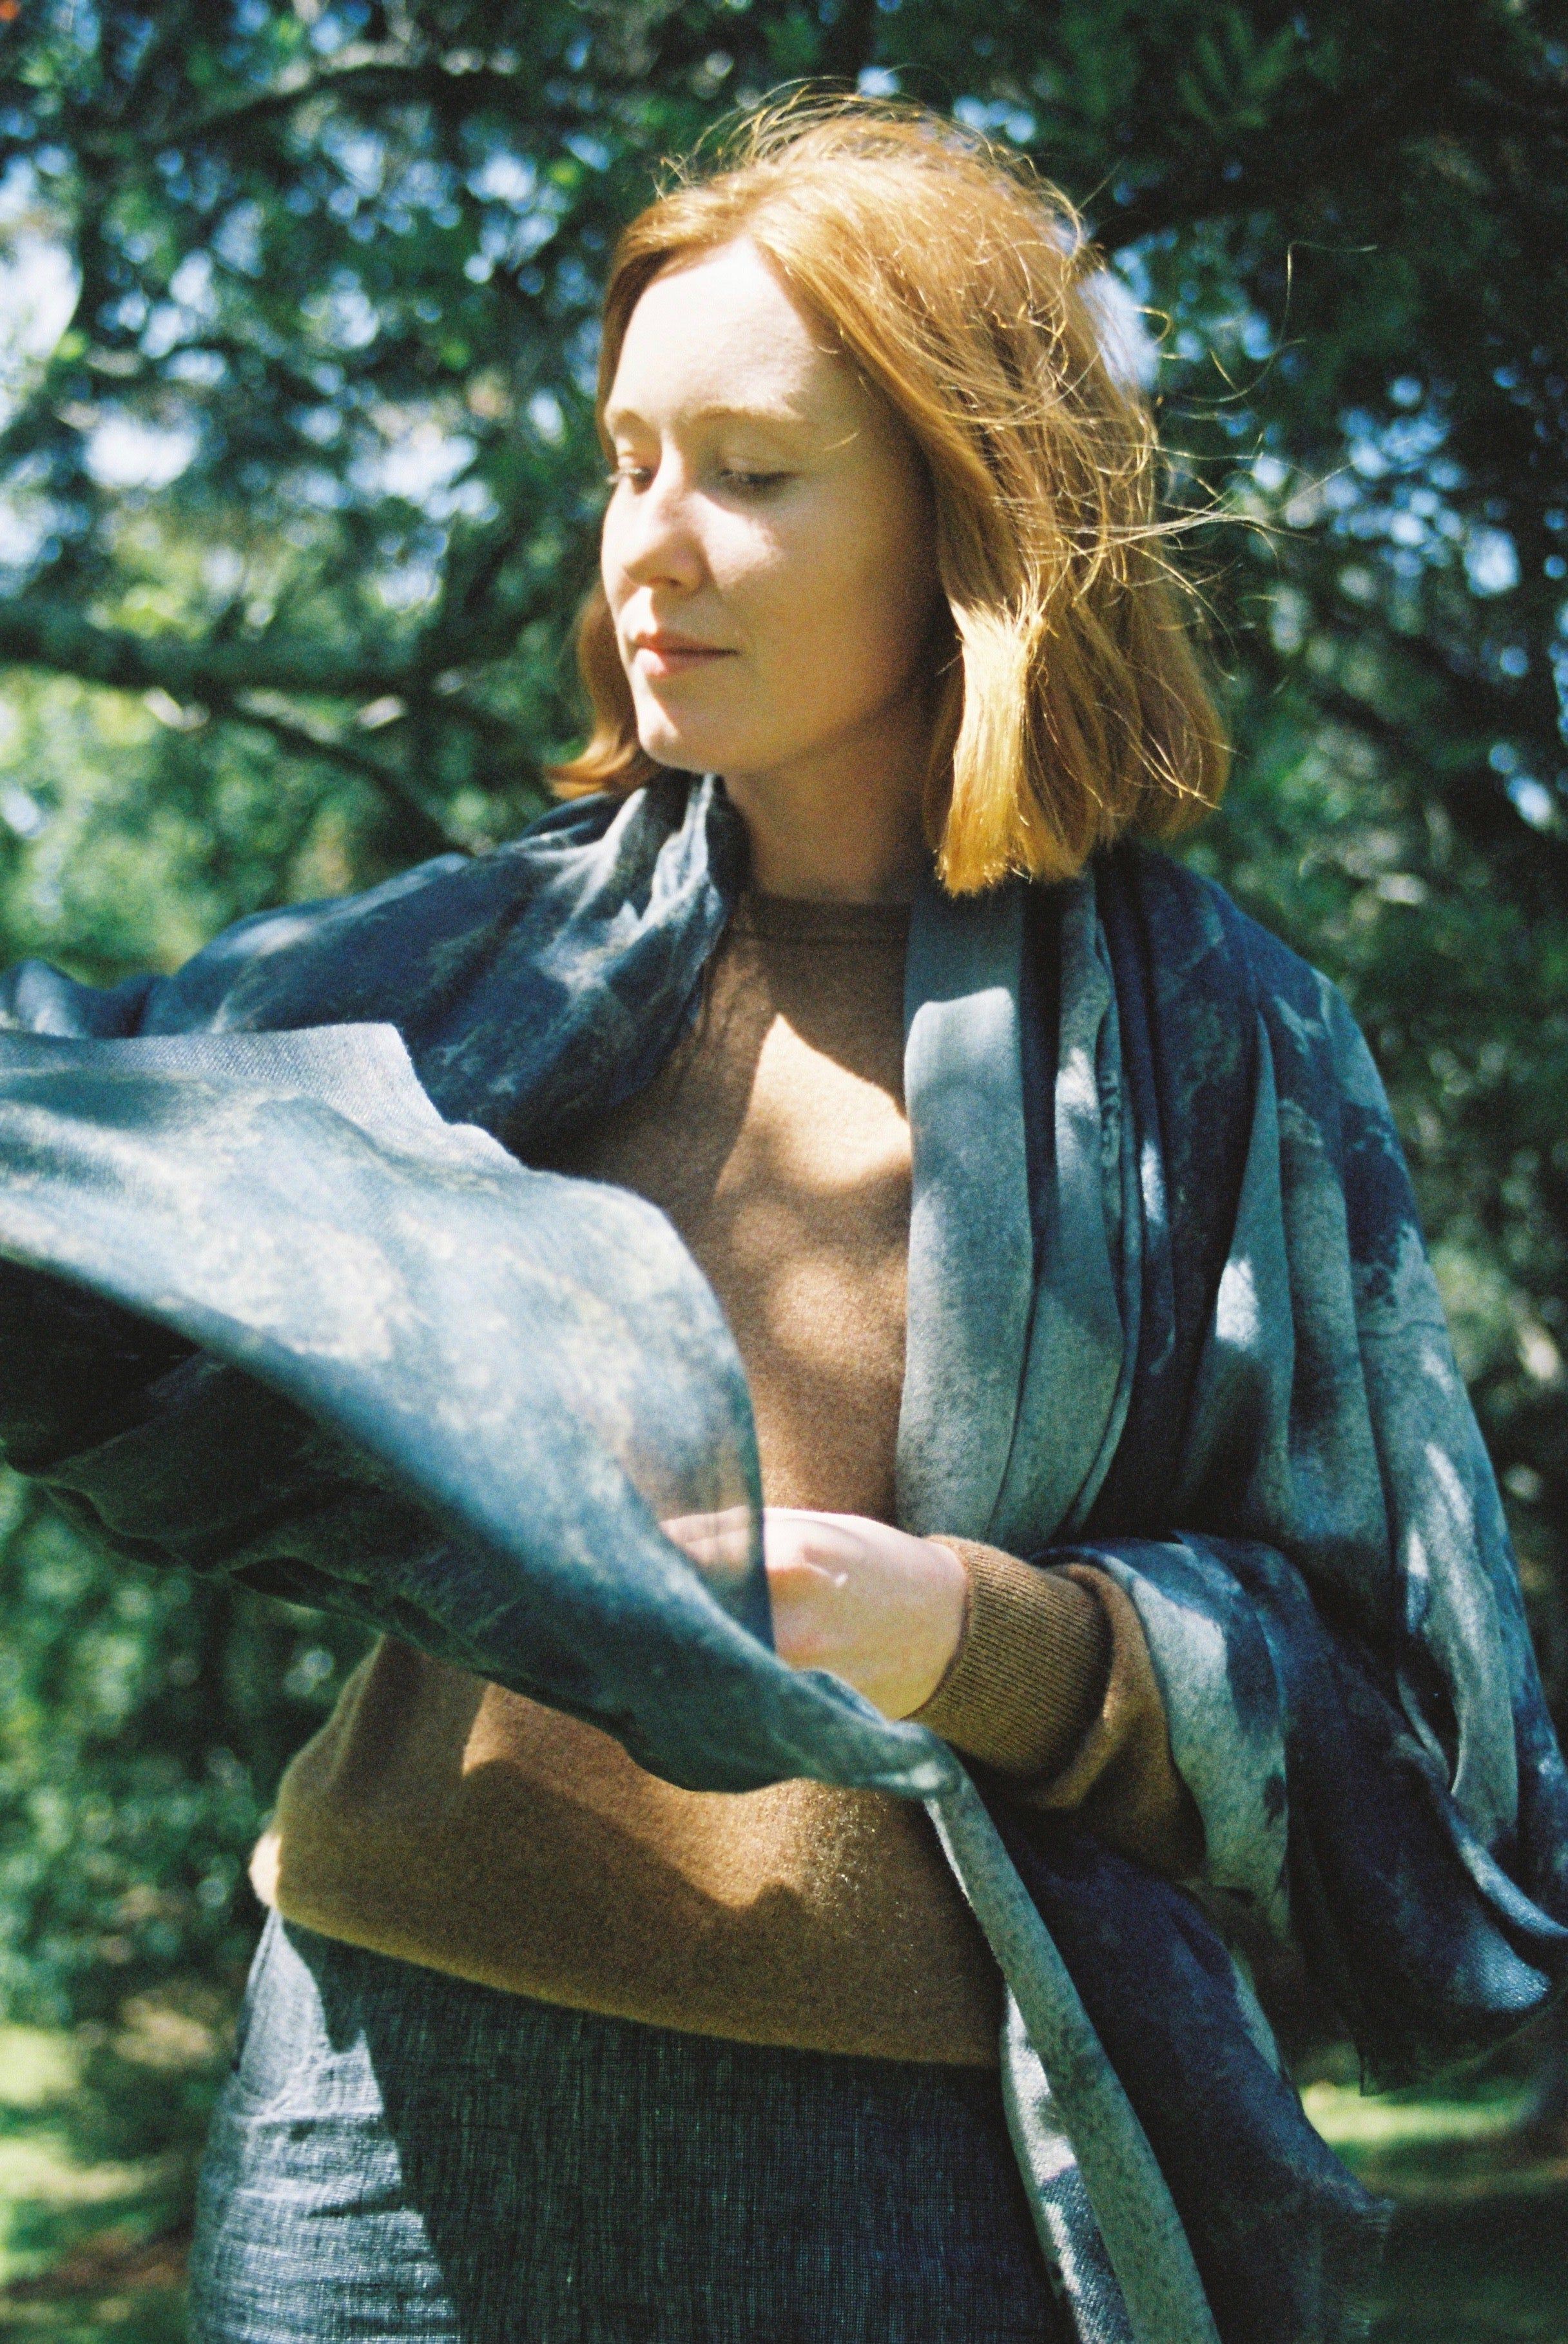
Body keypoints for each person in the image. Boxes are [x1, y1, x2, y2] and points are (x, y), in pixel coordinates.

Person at [1, 97, 1563, 2344]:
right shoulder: (465, 980)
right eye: (627, 457)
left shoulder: (1221, 1051)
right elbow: (75, 1143)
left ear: (964, 506)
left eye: (750, 470)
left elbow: (1422, 1734)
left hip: (909, 2175)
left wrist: (971, 1631)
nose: (650, 543)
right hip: (364, 2108)